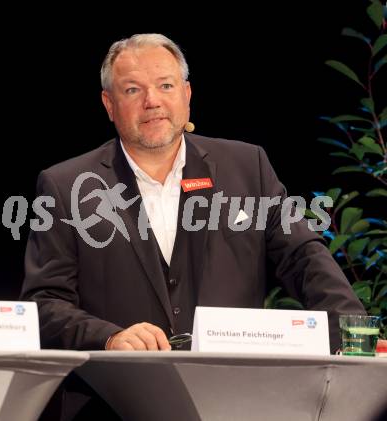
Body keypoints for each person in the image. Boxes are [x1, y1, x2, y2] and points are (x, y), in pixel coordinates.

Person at [20, 33, 365, 419]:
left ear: (186, 94)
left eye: (165, 85)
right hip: (111, 408)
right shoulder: (66, 186)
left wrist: (353, 333)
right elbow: (43, 304)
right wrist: (110, 338)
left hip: (233, 404)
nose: (152, 101)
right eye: (133, 89)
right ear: (109, 104)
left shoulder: (247, 168)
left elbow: (304, 259)